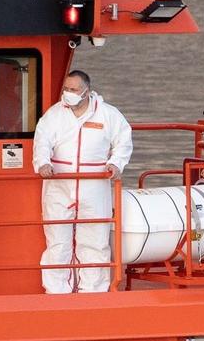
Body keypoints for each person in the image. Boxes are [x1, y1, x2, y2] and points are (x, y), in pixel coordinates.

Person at [34, 68, 133, 293]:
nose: (68, 93)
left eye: (74, 89)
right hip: (59, 183)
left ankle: (93, 291)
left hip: (94, 183)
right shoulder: (54, 115)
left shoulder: (108, 114)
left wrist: (116, 164)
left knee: (95, 240)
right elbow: (42, 141)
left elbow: (123, 140)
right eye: (66, 89)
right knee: (57, 241)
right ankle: (56, 291)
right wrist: (43, 162)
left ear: (86, 91)